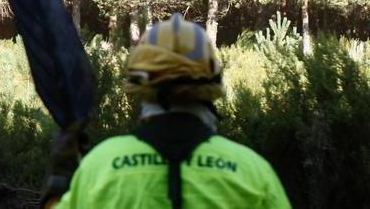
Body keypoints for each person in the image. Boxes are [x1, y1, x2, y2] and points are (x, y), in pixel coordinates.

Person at [44, 14, 290, 208]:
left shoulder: (101, 165)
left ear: (138, 84)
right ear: (212, 84)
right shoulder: (252, 171)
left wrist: (58, 183)